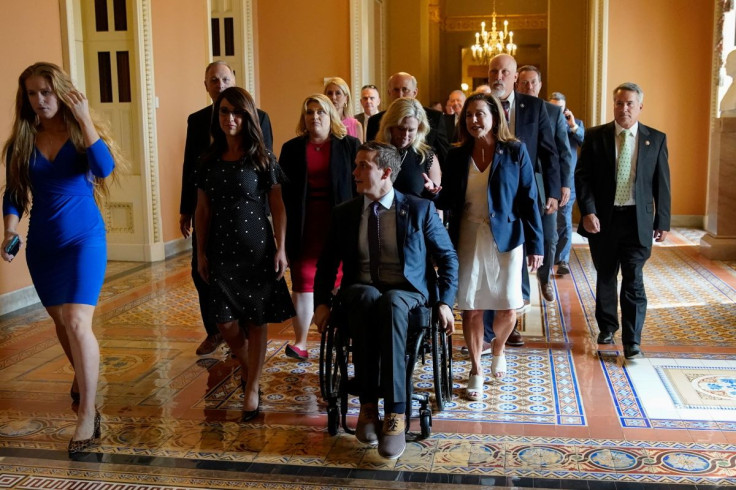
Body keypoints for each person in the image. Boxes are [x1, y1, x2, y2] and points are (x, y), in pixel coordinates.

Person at [1, 62, 124, 452]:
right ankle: (83, 378)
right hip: (43, 245)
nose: (40, 100)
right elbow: (15, 193)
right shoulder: (22, 140)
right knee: (61, 322)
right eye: (33, 94)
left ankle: (88, 414)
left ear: (62, 91)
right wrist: (9, 229)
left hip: (84, 239)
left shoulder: (78, 131)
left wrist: (85, 119)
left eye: (47, 92)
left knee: (75, 319)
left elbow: (104, 168)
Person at [312, 141, 458, 460]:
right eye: (356, 165)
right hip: (362, 290)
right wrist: (321, 303)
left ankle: (395, 415)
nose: (355, 172)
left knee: (390, 301)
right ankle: (367, 407)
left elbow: (447, 257)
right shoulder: (346, 213)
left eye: (364, 165)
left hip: (408, 293)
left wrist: (445, 302)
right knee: (367, 296)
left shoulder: (419, 209)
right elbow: (327, 264)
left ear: (386, 172)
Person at [194, 87, 295, 421]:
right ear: (217, 116)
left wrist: (281, 248)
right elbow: (202, 210)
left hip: (257, 249)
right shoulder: (208, 160)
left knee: (256, 316)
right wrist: (200, 253)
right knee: (224, 320)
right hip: (220, 250)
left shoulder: (261, 158)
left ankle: (251, 387)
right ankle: (251, 364)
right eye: (224, 112)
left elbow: (279, 206)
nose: (230, 119)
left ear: (247, 116)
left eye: (236, 112)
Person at [434, 93, 543, 401]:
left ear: (495, 117)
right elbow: (449, 199)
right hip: (468, 236)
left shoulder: (515, 152)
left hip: (507, 239)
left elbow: (529, 199)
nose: (473, 121)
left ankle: (498, 349)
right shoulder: (456, 155)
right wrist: (431, 192)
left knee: (508, 305)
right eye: (468, 115)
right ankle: (476, 369)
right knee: (471, 307)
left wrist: (536, 244)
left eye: (480, 114)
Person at [180, 61, 274, 357]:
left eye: (224, 79)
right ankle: (215, 331)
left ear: (233, 80)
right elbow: (189, 168)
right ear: (205, 86)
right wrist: (186, 209)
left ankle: (244, 332)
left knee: (247, 277)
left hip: (248, 211)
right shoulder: (197, 120)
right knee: (202, 272)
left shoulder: (259, 117)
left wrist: (266, 214)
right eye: (213, 80)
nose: (219, 84)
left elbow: (266, 165)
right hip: (210, 209)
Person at [575, 82, 670, 359]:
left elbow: (661, 183)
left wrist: (662, 220)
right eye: (619, 103)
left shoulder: (656, 139)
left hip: (637, 221)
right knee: (606, 275)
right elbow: (583, 177)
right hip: (604, 220)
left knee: (633, 278)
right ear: (613, 105)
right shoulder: (596, 136)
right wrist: (589, 211)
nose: (624, 108)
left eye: (629, 103)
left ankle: (633, 339)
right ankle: (607, 327)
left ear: (640, 106)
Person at [484, 54, 560, 348]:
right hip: (488, 192)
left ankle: (509, 324)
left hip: (522, 192)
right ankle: (488, 324)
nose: (498, 76)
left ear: (515, 77)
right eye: (493, 71)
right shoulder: (482, 106)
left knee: (518, 256)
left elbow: (549, 152)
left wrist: (553, 191)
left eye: (505, 72)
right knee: (490, 257)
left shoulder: (536, 107)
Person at [280, 94, 360, 361]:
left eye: (320, 112)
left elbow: (359, 185)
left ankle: (344, 338)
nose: (314, 117)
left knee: (340, 279)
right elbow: (283, 194)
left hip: (339, 222)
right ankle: (300, 342)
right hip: (304, 224)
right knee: (302, 281)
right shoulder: (291, 148)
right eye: (309, 112)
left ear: (331, 116)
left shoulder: (349, 145)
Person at [517, 65, 573, 301]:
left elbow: (563, 151)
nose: (529, 86)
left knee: (549, 235)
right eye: (524, 82)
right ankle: (521, 290)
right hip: (520, 181)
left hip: (545, 182)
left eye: (533, 82)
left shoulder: (552, 112)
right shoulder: (512, 110)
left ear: (539, 85)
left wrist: (564, 185)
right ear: (517, 84)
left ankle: (544, 278)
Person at [365, 72, 450, 166]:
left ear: (415, 92)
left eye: (405, 90)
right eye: (396, 90)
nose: (400, 95)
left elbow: (445, 156)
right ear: (389, 92)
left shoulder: (434, 118)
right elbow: (369, 157)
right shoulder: (375, 121)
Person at [375, 97, 441, 201]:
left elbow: (437, 205)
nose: (405, 135)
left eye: (411, 130)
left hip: (415, 216)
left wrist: (431, 192)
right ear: (389, 126)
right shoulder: (374, 153)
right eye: (401, 128)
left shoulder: (426, 156)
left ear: (419, 128)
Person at [549, 91, 585, 275]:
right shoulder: (543, 123)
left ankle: (562, 260)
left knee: (564, 219)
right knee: (548, 221)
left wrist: (572, 126)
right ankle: (547, 257)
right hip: (548, 180)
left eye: (560, 109)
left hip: (567, 182)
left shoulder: (575, 124)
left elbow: (584, 142)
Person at [324, 77, 363, 142]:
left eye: (338, 93)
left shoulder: (356, 125)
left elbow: (360, 151)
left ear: (346, 98)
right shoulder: (321, 124)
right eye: (330, 93)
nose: (333, 97)